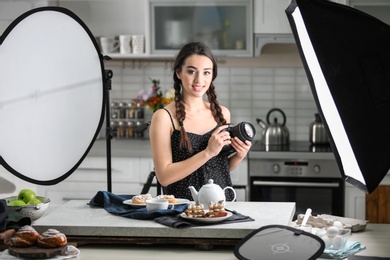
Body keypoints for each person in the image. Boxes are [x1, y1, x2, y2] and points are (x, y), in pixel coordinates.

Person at [149, 42, 252, 201]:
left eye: (206, 72)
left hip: (221, 209)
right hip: (182, 212)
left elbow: (219, 169)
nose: (199, 80)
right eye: (191, 71)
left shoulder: (222, 114)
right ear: (179, 73)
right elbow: (164, 177)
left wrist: (239, 155)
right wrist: (207, 153)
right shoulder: (163, 117)